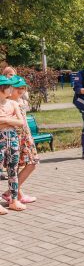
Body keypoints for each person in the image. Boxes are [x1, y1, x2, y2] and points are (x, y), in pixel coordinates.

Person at [2, 75, 38, 205]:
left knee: (32, 162)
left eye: (23, 88)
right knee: (14, 167)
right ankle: (14, 194)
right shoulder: (8, 103)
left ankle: (12, 193)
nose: (21, 91)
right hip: (14, 137)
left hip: (25, 136)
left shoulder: (20, 101)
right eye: (18, 89)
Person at [0, 75, 26, 213]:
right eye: (8, 87)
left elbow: (21, 122)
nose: (11, 89)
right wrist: (11, 119)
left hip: (13, 139)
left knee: (13, 170)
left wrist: (4, 119)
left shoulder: (13, 104)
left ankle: (14, 200)